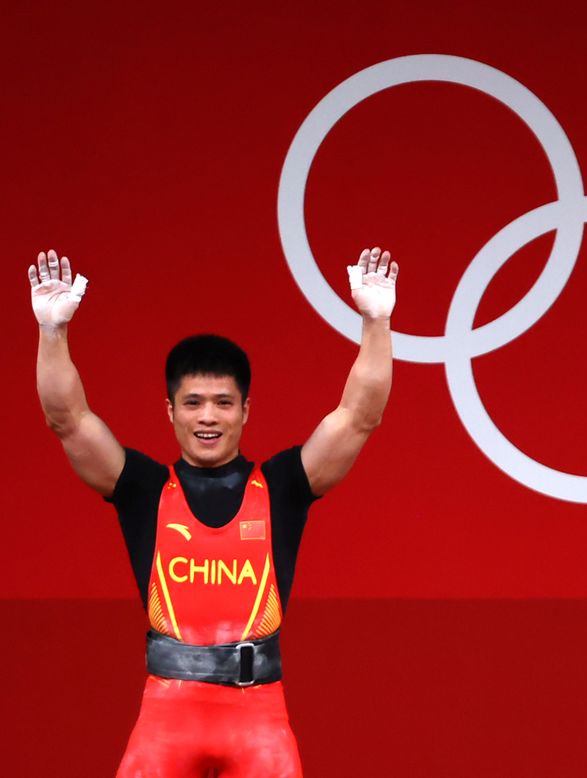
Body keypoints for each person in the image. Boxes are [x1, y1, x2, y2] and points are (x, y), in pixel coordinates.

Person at [29, 246, 400, 777]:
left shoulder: (282, 486)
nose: (208, 417)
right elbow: (67, 419)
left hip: (259, 722)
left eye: (223, 403)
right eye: (193, 403)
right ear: (170, 411)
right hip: (166, 721)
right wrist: (52, 331)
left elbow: (359, 416)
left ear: (245, 410)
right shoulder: (143, 489)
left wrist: (376, 322)